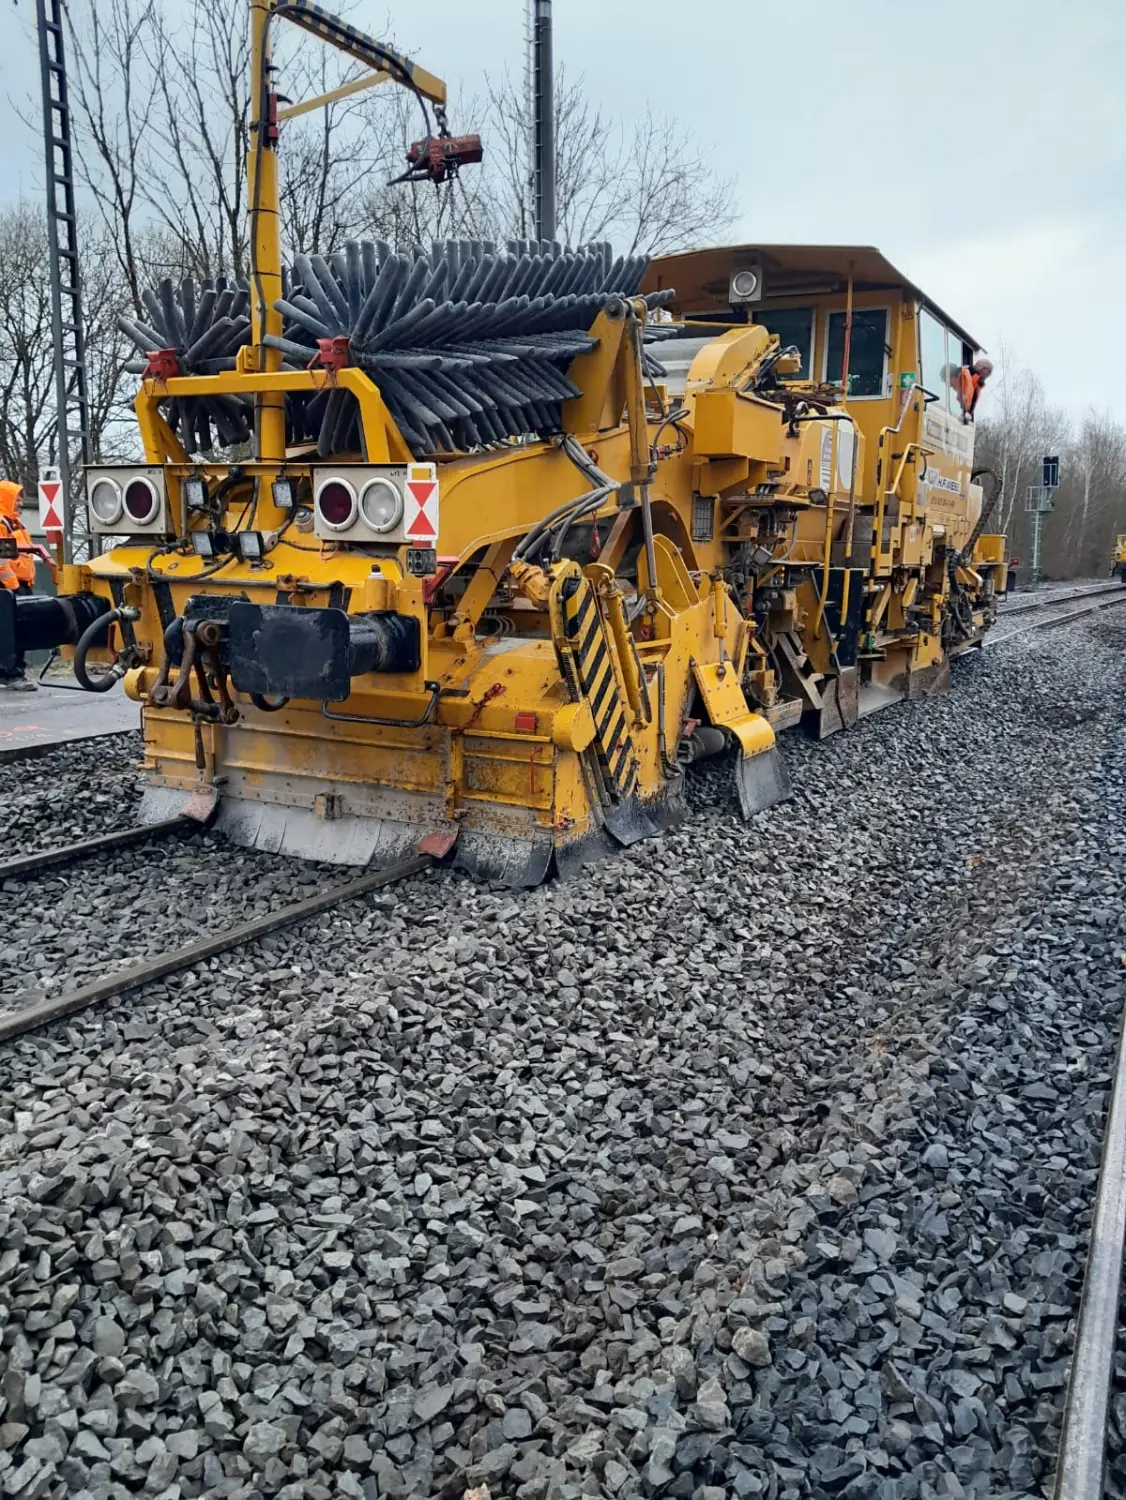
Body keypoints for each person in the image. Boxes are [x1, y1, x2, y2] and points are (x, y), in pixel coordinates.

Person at [0, 480, 41, 691]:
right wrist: (13, 586)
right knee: (12, 632)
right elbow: (1, 561)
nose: (20, 502)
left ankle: (13, 672)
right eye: (17, 498)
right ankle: (12, 674)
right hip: (9, 588)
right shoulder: (2, 524)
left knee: (18, 631)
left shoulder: (15, 524)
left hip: (17, 586)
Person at [957, 358, 993, 424]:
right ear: (983, 368)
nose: (988, 376)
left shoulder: (976, 385)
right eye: (989, 372)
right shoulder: (964, 373)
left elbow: (972, 402)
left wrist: (968, 413)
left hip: (960, 418)